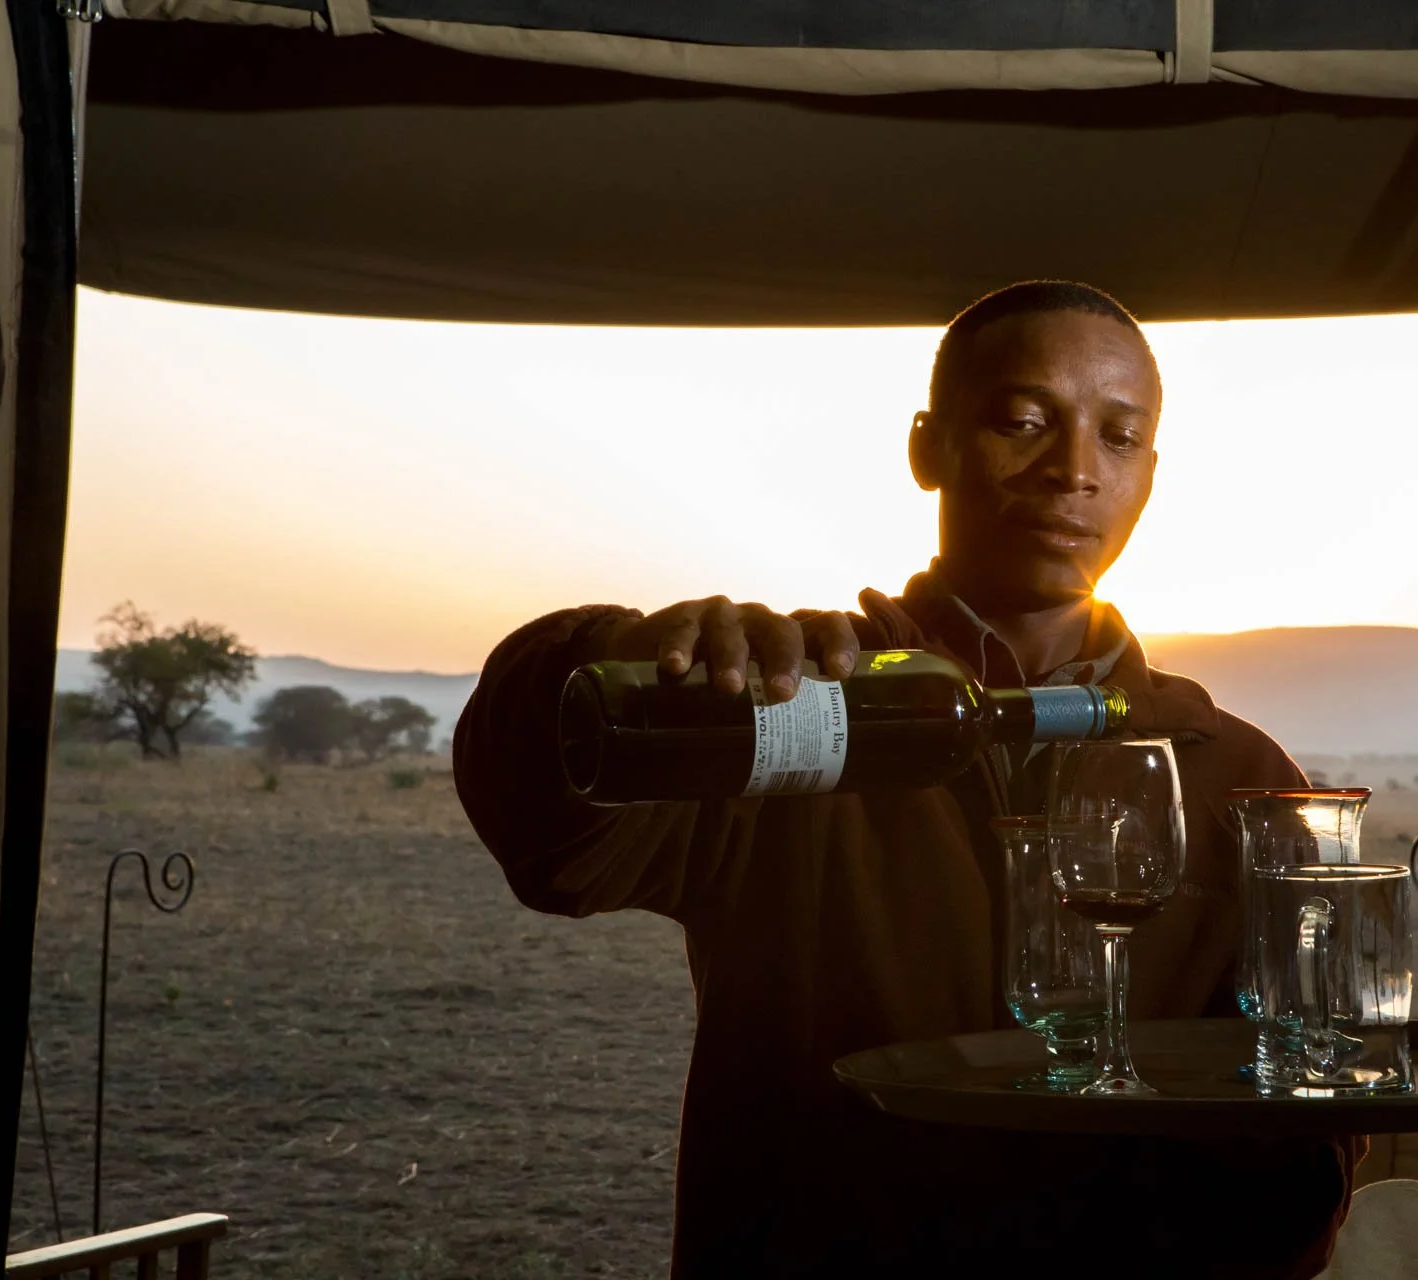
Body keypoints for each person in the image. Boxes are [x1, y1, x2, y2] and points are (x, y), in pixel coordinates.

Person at [454, 281, 1363, 1278]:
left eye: (1119, 435)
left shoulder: (1238, 773)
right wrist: (608, 657)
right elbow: (555, 850)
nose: (1072, 470)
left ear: (1151, 471)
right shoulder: (792, 709)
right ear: (927, 447)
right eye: (1023, 420)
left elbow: (1307, 1117)